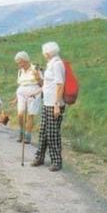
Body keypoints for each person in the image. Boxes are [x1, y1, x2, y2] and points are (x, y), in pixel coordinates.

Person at [31, 42, 65, 172]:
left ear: (48, 53)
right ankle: (39, 157)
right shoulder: (50, 64)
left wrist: (56, 105)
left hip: (54, 105)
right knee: (43, 132)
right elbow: (47, 84)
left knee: (52, 134)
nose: (43, 54)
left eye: (44, 52)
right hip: (47, 103)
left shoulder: (57, 64)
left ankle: (56, 161)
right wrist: (36, 92)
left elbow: (60, 84)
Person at [10, 51, 43, 144]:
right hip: (21, 93)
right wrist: (15, 99)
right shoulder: (20, 71)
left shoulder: (36, 68)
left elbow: (43, 85)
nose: (20, 65)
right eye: (18, 63)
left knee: (30, 114)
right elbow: (20, 85)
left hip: (34, 92)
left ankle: (27, 135)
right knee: (20, 114)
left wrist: (38, 78)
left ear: (26, 60)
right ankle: (21, 132)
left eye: (21, 62)